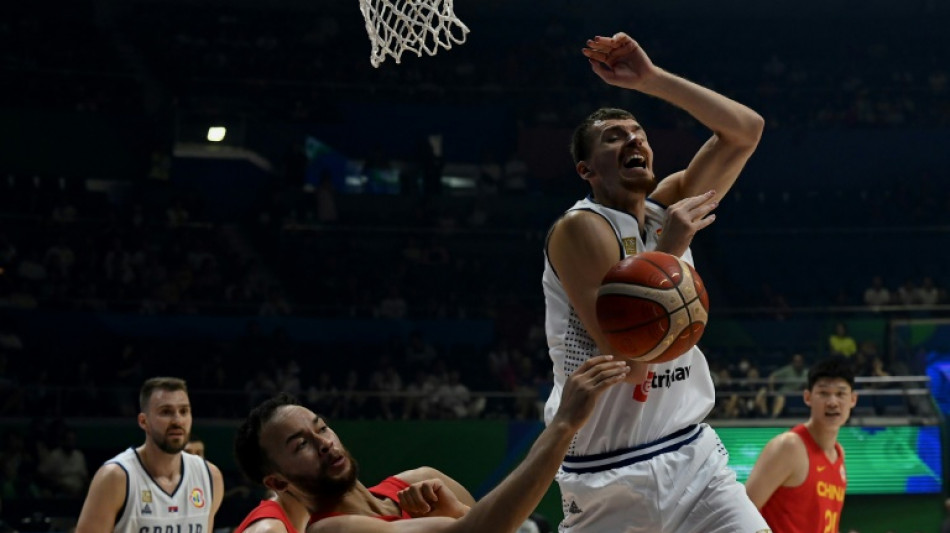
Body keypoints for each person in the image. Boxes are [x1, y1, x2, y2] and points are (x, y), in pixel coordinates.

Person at [541, 32, 766, 531]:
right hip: (607, 471)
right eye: (613, 137)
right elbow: (630, 360)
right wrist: (672, 248)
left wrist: (651, 79)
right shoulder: (582, 227)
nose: (633, 140)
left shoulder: (666, 208)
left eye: (638, 132)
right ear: (586, 170)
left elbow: (746, 131)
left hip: (691, 454)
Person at [232, 355, 628, 533]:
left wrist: (455, 510)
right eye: (300, 444)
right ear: (278, 482)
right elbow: (480, 531)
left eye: (321, 427)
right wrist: (563, 426)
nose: (322, 443)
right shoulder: (332, 531)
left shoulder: (418, 481)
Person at [75, 377, 225, 533]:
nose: (177, 420)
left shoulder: (210, 477)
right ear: (143, 421)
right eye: (166, 412)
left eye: (184, 411)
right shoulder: (115, 477)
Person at [745, 357, 857, 533]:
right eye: (823, 393)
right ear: (807, 397)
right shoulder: (789, 446)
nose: (832, 402)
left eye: (840, 394)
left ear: (853, 400)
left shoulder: (839, 453)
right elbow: (739, 514)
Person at [768, 353, 809, 418]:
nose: (798, 363)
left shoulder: (807, 372)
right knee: (780, 398)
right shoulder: (787, 370)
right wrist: (772, 390)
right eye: (796, 361)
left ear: (802, 362)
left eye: (800, 361)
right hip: (785, 394)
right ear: (793, 362)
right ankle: (774, 418)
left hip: (800, 396)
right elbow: (772, 376)